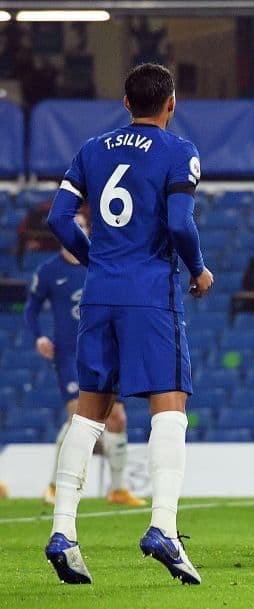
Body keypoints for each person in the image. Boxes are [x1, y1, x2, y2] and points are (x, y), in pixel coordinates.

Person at [44, 63, 213, 585]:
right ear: (171, 103)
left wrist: (94, 259)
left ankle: (63, 533)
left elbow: (57, 219)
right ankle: (163, 525)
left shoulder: (92, 149)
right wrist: (199, 268)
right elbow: (180, 223)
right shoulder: (178, 151)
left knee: (89, 414)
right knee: (170, 407)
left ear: (124, 102)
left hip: (99, 296)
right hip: (149, 295)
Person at [25, 209, 145, 508]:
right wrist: (39, 336)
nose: (76, 230)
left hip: (104, 350)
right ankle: (54, 485)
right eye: (71, 225)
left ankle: (118, 489)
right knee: (77, 414)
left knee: (117, 417)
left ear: (89, 230)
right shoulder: (49, 271)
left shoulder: (101, 264)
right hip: (68, 353)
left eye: (81, 225)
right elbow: (31, 308)